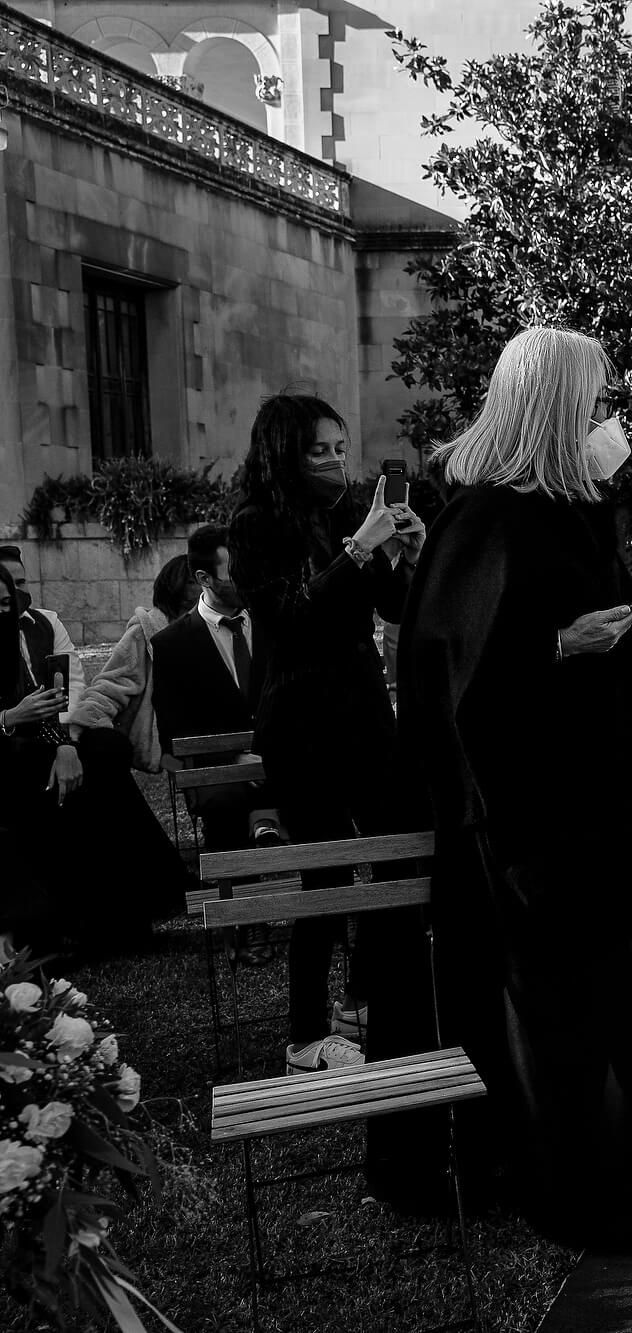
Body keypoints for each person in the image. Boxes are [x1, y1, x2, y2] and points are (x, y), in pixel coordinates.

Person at [399, 326, 632, 1242]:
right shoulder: (482, 518)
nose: (606, 417)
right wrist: (564, 643)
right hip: (521, 820)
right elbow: (455, 678)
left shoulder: (557, 506)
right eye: (593, 402)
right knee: (551, 1015)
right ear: (556, 406)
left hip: (580, 798)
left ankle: (615, 1176)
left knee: (595, 1004)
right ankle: (574, 1186)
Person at [228, 395, 430, 1078]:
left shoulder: (351, 510)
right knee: (326, 870)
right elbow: (289, 617)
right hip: (300, 719)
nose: (336, 461)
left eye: (341, 448)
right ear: (284, 451)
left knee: (397, 850)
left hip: (364, 709)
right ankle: (304, 1033)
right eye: (320, 450)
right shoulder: (254, 525)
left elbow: (394, 609)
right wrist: (358, 548)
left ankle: (367, 998)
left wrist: (405, 555)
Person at [0, 564, 190, 957]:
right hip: (9, 751)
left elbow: (71, 688)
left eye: (18, 588)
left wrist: (65, 745)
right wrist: (9, 718)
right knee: (53, 775)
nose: (16, 599)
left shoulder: (45, 624)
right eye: (7, 594)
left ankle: (126, 911)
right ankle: (133, 904)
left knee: (105, 748)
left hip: (47, 741)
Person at [151, 525, 274, 853]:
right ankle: (236, 896)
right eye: (235, 572)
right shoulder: (171, 645)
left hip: (281, 759)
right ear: (204, 579)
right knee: (224, 804)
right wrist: (234, 757)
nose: (248, 577)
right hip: (216, 773)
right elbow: (173, 734)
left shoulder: (274, 623)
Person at [68, 556, 197, 775]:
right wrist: (82, 724)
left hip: (213, 737)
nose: (202, 587)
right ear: (177, 586)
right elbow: (112, 684)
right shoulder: (145, 632)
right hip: (168, 752)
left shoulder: (217, 626)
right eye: (193, 581)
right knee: (187, 771)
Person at [0, 546, 85, 724]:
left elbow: (73, 682)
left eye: (21, 582)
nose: (16, 590)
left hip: (54, 726)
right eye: (8, 583)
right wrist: (10, 718)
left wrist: (59, 730)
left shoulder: (48, 622)